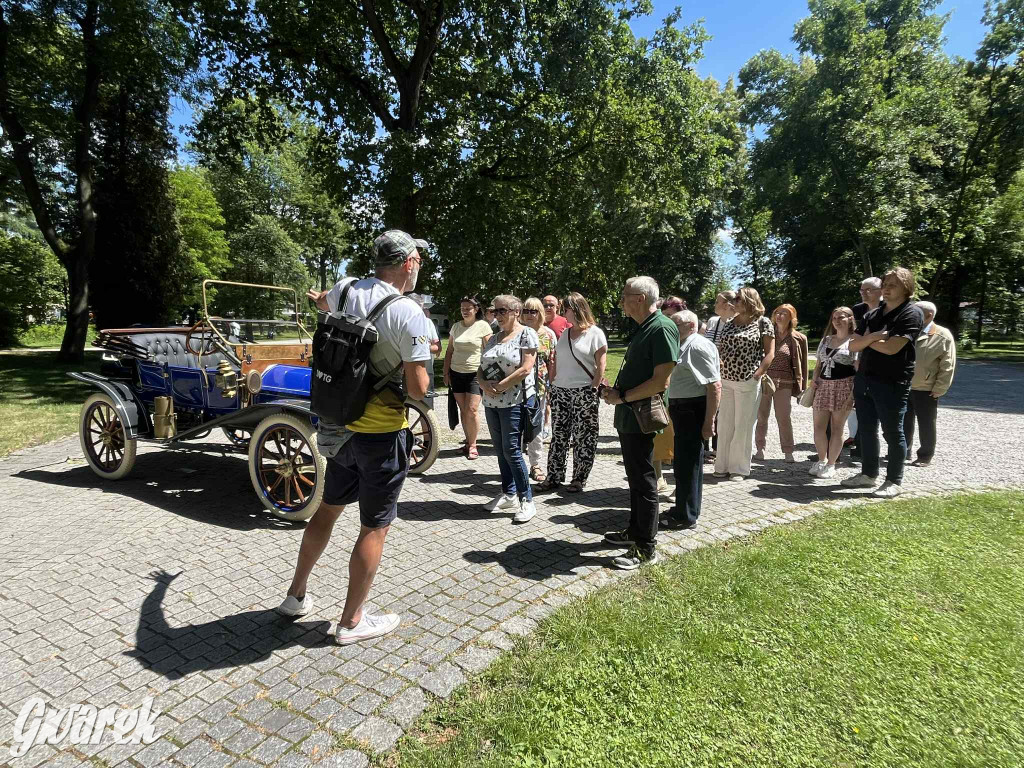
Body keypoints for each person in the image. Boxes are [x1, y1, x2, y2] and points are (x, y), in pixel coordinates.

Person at [279, 229, 430, 645]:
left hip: (337, 425)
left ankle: (295, 596)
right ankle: (351, 621)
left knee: (327, 510)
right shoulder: (409, 312)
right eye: (418, 260)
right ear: (408, 263)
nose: (419, 266)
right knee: (374, 528)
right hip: (380, 433)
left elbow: (325, 302)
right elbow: (418, 389)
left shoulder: (345, 287)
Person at [601, 276, 678, 570]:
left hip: (642, 415)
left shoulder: (662, 327)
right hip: (631, 415)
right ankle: (634, 532)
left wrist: (622, 397)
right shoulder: (645, 328)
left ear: (641, 298)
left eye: (625, 295)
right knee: (636, 479)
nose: (621, 301)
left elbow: (661, 381)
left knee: (645, 482)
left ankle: (646, 547)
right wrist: (616, 394)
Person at [842, 267, 924, 497]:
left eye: (892, 285)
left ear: (906, 288)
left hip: (892, 381)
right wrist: (874, 337)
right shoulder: (872, 314)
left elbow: (892, 348)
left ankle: (893, 480)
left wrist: (866, 339)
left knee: (892, 432)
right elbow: (852, 345)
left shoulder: (910, 313)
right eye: (885, 285)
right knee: (866, 430)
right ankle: (868, 475)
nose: (886, 290)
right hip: (865, 378)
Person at [478, 295, 540, 523]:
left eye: (502, 310)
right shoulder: (494, 338)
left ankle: (527, 499)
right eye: (495, 311)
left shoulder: (527, 334)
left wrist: (502, 386)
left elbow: (526, 368)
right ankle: (509, 493)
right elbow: (481, 367)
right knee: (500, 450)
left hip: (514, 402)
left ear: (516, 311)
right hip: (491, 402)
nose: (497, 315)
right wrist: (484, 384)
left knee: (511, 450)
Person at [538, 292, 607, 493]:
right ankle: (554, 476)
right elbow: (557, 361)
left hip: (584, 391)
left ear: (575, 310)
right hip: (561, 391)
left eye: (565, 309)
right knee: (559, 436)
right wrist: (553, 386)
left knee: (584, 437)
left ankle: (579, 478)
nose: (562, 313)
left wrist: (593, 388)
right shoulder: (566, 333)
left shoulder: (596, 333)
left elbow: (601, 365)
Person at [663, 310, 721, 530]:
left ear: (690, 325)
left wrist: (709, 422)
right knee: (686, 463)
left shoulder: (696, 346)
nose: (671, 328)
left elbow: (714, 386)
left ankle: (685, 516)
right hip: (683, 408)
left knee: (687, 465)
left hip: (691, 409)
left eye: (675, 324)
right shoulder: (686, 343)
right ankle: (685, 509)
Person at [713, 286, 775, 480]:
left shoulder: (763, 322)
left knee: (743, 425)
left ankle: (738, 469)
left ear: (749, 300)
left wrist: (758, 373)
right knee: (724, 423)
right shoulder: (730, 322)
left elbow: (770, 353)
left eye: (738, 298)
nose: (734, 302)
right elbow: (721, 347)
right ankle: (721, 465)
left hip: (747, 379)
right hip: (726, 378)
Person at [903, 301, 956, 467]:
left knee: (926, 423)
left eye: (916, 312)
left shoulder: (942, 335)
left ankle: (925, 456)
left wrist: (940, 388)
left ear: (929, 315)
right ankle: (903, 452)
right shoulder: (910, 331)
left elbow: (948, 365)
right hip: (903, 385)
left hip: (926, 388)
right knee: (903, 421)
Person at [808, 307, 858, 479]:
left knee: (837, 428)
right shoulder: (826, 340)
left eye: (841, 317)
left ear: (850, 319)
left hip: (843, 387)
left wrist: (852, 396)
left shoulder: (855, 341)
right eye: (834, 317)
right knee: (819, 427)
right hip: (823, 387)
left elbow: (858, 371)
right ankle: (821, 460)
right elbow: (819, 364)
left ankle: (831, 463)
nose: (837, 320)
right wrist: (814, 379)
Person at [754, 304, 806, 462]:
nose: (779, 316)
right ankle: (760, 449)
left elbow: (803, 364)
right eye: (777, 312)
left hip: (785, 382)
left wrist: (802, 387)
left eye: (784, 313)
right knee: (761, 416)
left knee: (783, 417)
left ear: (791, 317)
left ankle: (788, 451)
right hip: (765, 380)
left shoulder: (799, 338)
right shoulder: (766, 334)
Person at [443, 296, 492, 460]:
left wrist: (488, 375)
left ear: (476, 309)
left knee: (472, 410)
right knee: (464, 410)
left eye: (468, 308)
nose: (465, 311)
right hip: (456, 373)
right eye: (462, 308)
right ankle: (468, 442)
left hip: (475, 374)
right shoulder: (456, 327)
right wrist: (445, 372)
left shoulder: (483, 326)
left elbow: (490, 351)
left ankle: (473, 445)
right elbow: (449, 350)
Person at [521, 297, 556, 481]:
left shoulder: (549, 335)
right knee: (516, 428)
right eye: (525, 310)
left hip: (539, 388)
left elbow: (552, 362)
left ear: (540, 313)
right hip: (516, 388)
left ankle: (535, 464)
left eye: (533, 311)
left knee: (536, 427)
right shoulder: (516, 333)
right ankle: (516, 465)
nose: (528, 315)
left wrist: (551, 388)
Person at [653, 296, 685, 493]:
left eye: (672, 317)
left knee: (677, 441)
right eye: (665, 316)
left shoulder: (690, 339)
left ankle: (679, 487)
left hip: (682, 397)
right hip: (663, 396)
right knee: (659, 438)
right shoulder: (660, 332)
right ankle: (659, 478)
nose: (669, 322)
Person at [703, 290, 737, 460]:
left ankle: (719, 449)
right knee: (706, 408)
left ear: (727, 304)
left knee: (722, 412)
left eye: (717, 301)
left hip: (726, 374)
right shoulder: (713, 321)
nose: (714, 304)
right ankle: (704, 447)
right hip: (708, 371)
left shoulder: (737, 323)